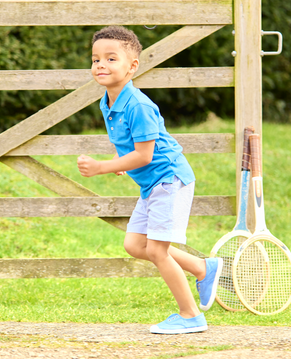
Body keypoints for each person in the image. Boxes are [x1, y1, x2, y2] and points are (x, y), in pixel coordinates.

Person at [77, 26, 223, 334]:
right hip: (152, 184)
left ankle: (190, 316)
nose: (100, 65)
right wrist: (120, 163)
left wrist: (104, 166)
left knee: (157, 250)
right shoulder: (108, 101)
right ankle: (201, 268)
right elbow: (126, 142)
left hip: (169, 179)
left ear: (132, 67)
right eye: (95, 59)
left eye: (111, 59)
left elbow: (144, 156)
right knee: (134, 244)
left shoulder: (139, 105)